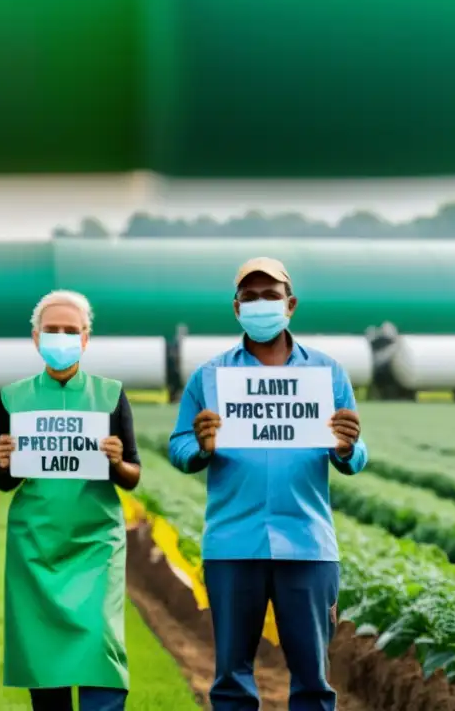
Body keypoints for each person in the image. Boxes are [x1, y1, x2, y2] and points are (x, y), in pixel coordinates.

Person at [169, 257, 367, 711]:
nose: (261, 305)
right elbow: (179, 449)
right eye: (250, 298)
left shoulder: (327, 373)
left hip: (308, 544)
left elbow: (355, 455)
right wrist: (200, 445)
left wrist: (346, 448)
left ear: (290, 304)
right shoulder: (210, 376)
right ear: (237, 309)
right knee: (231, 679)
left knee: (312, 679)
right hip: (233, 543)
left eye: (270, 296)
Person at [0, 290, 140, 711]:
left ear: (86, 338)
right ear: (35, 338)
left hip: (95, 547)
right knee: (43, 658)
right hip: (35, 547)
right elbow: (3, 481)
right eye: (52, 330)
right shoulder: (11, 398)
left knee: (102, 653)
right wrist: (2, 462)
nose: (61, 338)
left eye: (71, 331)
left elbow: (132, 475)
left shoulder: (110, 395)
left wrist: (114, 461)